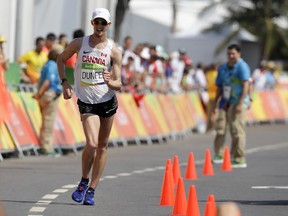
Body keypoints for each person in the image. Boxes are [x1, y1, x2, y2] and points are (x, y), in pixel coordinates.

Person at [57, 8, 122, 205]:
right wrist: (65, 83)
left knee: (102, 146)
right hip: (87, 101)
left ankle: (92, 189)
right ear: (92, 23)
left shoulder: (114, 51)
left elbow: (119, 83)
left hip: (107, 101)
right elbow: (61, 59)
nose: (100, 26)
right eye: (97, 22)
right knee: (92, 144)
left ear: (109, 25)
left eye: (103, 23)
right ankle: (84, 181)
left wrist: (111, 82)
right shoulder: (79, 43)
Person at [212, 44, 250, 168]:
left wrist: (241, 103)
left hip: (238, 102)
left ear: (239, 54)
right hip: (225, 102)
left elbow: (246, 85)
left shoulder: (242, 67)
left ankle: (239, 158)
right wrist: (214, 104)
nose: (231, 56)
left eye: (233, 53)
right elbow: (219, 87)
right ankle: (220, 154)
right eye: (229, 53)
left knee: (237, 130)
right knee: (220, 128)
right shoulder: (222, 68)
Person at [33, 44, 63, 156]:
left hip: (45, 95)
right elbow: (48, 81)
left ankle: (43, 144)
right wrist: (39, 94)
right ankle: (46, 147)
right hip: (50, 94)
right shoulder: (53, 65)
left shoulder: (48, 64)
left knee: (45, 120)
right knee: (49, 121)